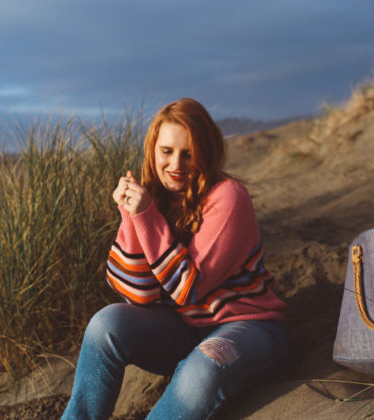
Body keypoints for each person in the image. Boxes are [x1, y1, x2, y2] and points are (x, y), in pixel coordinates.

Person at [61, 98, 287, 420]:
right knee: (104, 325)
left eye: (188, 153)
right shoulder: (153, 199)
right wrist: (131, 215)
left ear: (205, 152)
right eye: (166, 151)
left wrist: (146, 217)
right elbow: (138, 294)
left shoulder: (228, 197)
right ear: (153, 150)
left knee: (202, 366)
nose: (176, 164)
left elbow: (188, 289)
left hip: (247, 329)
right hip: (184, 329)